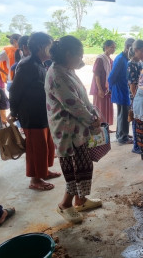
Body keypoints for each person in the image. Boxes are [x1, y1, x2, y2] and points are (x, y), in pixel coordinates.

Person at [46, 36, 102, 224]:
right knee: (75, 171)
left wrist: (95, 112)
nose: (81, 59)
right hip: (67, 133)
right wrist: (92, 119)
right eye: (79, 55)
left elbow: (82, 96)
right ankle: (65, 205)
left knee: (84, 166)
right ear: (68, 54)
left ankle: (81, 200)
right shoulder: (57, 74)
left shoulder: (67, 69)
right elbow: (73, 104)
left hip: (78, 129)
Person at [9, 32, 60, 191]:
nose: (51, 49)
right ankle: (35, 179)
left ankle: (43, 171)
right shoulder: (26, 65)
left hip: (42, 112)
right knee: (36, 147)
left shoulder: (40, 63)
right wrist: (14, 111)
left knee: (46, 145)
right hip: (31, 114)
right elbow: (14, 91)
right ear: (41, 47)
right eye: (49, 46)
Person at [108, 38, 135, 144]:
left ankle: (123, 133)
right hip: (120, 90)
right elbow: (112, 76)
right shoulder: (120, 59)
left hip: (125, 90)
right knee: (123, 114)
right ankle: (122, 137)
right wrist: (111, 89)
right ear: (128, 47)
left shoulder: (126, 58)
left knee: (124, 113)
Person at [128, 40, 143, 154]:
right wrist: (137, 100)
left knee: (140, 120)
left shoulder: (141, 63)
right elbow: (132, 85)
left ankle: (141, 144)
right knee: (136, 121)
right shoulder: (131, 64)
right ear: (136, 50)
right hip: (136, 98)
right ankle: (136, 146)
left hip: (142, 96)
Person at [90, 40, 116, 126]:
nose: (113, 49)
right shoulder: (100, 59)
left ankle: (106, 126)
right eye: (112, 47)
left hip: (107, 88)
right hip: (100, 88)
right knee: (100, 108)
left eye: (114, 48)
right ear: (106, 47)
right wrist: (100, 89)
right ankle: (100, 127)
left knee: (107, 107)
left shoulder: (110, 60)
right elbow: (96, 74)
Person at [0, 34, 21, 123]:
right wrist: (5, 73)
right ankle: (18, 128)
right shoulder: (6, 51)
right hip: (12, 81)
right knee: (16, 106)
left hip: (19, 80)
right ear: (15, 41)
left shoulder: (20, 50)